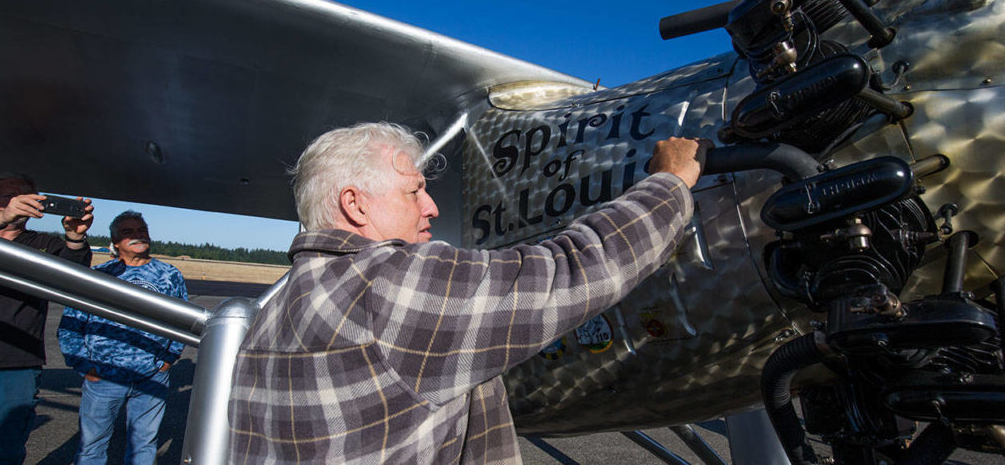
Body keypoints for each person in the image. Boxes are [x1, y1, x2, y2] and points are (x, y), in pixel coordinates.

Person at [228, 122, 709, 463]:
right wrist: (669, 183)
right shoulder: (389, 283)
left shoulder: (270, 312)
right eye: (414, 191)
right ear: (354, 204)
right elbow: (575, 268)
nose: (433, 207)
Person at [58, 211, 188, 465]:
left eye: (141, 230)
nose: (137, 236)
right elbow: (71, 322)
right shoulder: (99, 275)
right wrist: (85, 366)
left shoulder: (169, 275)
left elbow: (183, 320)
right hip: (104, 376)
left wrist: (169, 358)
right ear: (115, 242)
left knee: (144, 445)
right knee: (91, 445)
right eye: (128, 232)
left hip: (151, 376)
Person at [0, 173, 93, 465]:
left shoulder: (44, 243)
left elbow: (75, 281)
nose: (16, 202)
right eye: (7, 197)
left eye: (24, 196)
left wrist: (75, 237)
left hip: (15, 363)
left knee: (2, 451)